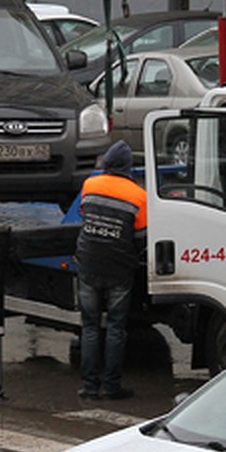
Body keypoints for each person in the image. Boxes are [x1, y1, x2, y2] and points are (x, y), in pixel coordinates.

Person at [74, 139, 146, 400]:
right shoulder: (138, 195)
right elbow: (141, 239)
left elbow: (84, 216)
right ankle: (112, 387)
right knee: (116, 327)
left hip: (89, 263)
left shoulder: (90, 185)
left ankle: (90, 387)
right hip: (119, 270)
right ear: (127, 167)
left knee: (90, 327)